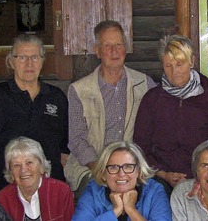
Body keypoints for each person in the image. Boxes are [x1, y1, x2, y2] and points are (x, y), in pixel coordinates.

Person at [65, 20, 156, 198]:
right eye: (107, 46)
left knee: (151, 195)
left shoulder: (144, 84)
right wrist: (104, 169)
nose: (114, 51)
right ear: (97, 51)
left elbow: (166, 107)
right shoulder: (79, 90)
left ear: (126, 48)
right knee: (97, 195)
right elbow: (76, 139)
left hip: (133, 167)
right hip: (92, 167)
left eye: (118, 45)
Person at [0, 34, 69, 193]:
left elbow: (64, 150)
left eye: (35, 57)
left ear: (43, 61)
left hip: (49, 191)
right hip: (4, 191)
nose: (29, 63)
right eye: (22, 57)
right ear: (11, 62)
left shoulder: (57, 97)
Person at [134, 35, 208, 192]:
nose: (174, 71)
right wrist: (163, 174)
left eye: (179, 64)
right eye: (168, 65)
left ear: (192, 61)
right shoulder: (152, 99)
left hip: (201, 177)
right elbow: (141, 146)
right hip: (159, 177)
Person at [72, 141, 171, 220]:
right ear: (103, 173)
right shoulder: (93, 190)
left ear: (139, 171)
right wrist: (116, 211)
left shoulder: (154, 191)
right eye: (113, 167)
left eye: (128, 167)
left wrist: (131, 210)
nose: (121, 174)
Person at [0, 137, 74, 221]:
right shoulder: (2, 199)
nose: (23, 170)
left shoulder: (61, 191)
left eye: (29, 163)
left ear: (41, 167)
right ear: (11, 173)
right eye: (16, 165)